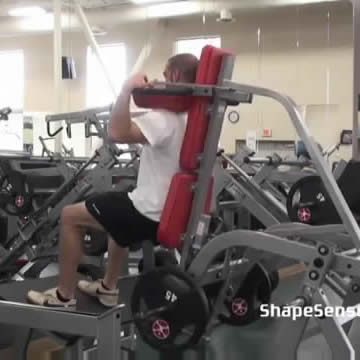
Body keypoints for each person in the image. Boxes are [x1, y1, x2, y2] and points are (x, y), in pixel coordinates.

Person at [27, 53, 199, 308]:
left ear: (173, 76)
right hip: (172, 212)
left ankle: (63, 296)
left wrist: (127, 89)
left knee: (70, 216)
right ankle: (108, 287)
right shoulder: (196, 120)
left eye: (164, 75)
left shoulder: (165, 118)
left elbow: (116, 132)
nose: (161, 81)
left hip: (149, 213)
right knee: (118, 208)